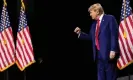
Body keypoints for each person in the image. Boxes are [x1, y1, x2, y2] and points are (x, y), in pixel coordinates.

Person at [74, 3, 119, 80]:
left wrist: (113, 49)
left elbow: (114, 35)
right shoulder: (94, 24)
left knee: (110, 77)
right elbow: (91, 37)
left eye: (91, 12)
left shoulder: (110, 18)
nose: (90, 14)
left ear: (97, 11)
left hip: (108, 55)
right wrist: (80, 33)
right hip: (98, 56)